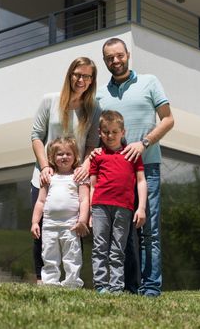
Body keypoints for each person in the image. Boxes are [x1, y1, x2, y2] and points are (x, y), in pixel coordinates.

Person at [96, 38, 174, 297]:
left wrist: (144, 143)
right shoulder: (101, 94)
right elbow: (100, 134)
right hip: (114, 173)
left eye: (119, 55)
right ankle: (129, 286)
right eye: (109, 58)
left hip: (146, 167)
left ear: (128, 54)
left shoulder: (149, 82)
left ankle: (151, 288)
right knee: (123, 234)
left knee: (148, 230)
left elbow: (168, 119)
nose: (115, 61)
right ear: (105, 61)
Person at [30, 57, 101, 284]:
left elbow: (92, 144)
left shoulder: (93, 108)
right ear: (70, 75)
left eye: (87, 76)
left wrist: (85, 167)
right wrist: (44, 167)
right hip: (45, 178)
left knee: (74, 229)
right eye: (77, 74)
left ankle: (72, 280)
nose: (81, 80)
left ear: (92, 81)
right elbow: (36, 137)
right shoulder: (49, 101)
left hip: (74, 180)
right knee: (42, 230)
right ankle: (43, 280)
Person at [89, 110, 147, 293]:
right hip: (100, 207)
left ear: (123, 132)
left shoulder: (133, 155)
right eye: (106, 132)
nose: (110, 136)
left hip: (125, 208)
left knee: (117, 249)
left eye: (115, 131)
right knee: (100, 247)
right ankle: (100, 286)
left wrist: (142, 208)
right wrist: (91, 211)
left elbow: (141, 181)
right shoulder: (97, 156)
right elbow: (92, 185)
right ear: (100, 133)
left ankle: (116, 287)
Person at [31, 137, 90, 287]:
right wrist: (35, 222)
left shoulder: (79, 176)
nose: (64, 157)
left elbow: (84, 200)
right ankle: (50, 283)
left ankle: (72, 283)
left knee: (72, 256)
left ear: (75, 156)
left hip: (71, 225)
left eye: (68, 154)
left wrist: (82, 220)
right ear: (52, 157)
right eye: (60, 154)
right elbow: (40, 201)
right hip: (49, 225)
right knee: (49, 255)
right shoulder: (48, 177)